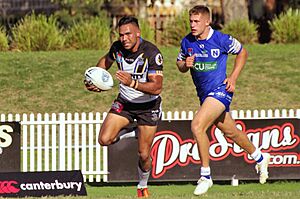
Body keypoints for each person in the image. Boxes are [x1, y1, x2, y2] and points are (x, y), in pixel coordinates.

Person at [176, 5, 270, 196]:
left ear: (207, 21)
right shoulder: (187, 41)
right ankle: (260, 157)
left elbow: (242, 52)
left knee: (197, 126)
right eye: (191, 21)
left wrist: (233, 77)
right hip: (205, 96)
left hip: (221, 91)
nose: (193, 25)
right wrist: (184, 65)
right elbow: (180, 64)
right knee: (231, 132)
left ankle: (205, 176)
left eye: (196, 21)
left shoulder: (221, 39)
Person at [85, 16, 163, 198]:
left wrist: (132, 83)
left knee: (144, 154)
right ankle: (136, 131)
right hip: (125, 103)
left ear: (138, 33)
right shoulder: (117, 48)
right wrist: (95, 79)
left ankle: (142, 185)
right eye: (121, 35)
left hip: (148, 106)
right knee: (104, 140)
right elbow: (104, 62)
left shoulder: (151, 52)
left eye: (128, 34)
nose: (124, 38)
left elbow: (157, 87)